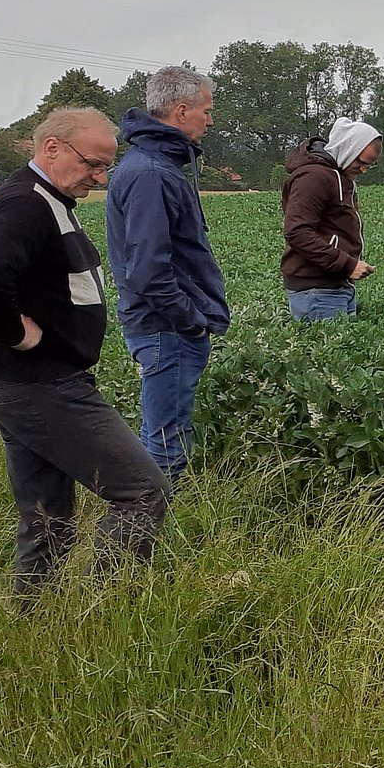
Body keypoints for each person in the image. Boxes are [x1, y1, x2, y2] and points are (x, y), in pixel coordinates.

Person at [0, 107, 169, 603]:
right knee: (141, 492)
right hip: (41, 387)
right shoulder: (25, 205)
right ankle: (103, 608)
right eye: (92, 164)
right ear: (52, 148)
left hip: (24, 386)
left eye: (104, 168)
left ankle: (35, 618)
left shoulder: (44, 199)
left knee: (48, 519)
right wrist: (17, 335)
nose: (99, 177)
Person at [107, 66, 230, 489]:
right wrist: (190, 321)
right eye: (207, 111)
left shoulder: (153, 166)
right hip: (166, 328)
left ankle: (145, 530)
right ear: (181, 111)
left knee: (163, 432)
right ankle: (147, 538)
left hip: (165, 327)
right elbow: (149, 270)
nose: (210, 121)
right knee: (164, 441)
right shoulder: (151, 174)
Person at [280, 116, 381, 320]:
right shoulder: (314, 177)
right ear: (348, 149)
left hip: (335, 286)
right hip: (316, 290)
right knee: (330, 350)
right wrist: (347, 264)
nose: (363, 170)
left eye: (369, 165)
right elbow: (297, 232)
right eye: (361, 162)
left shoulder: (339, 178)